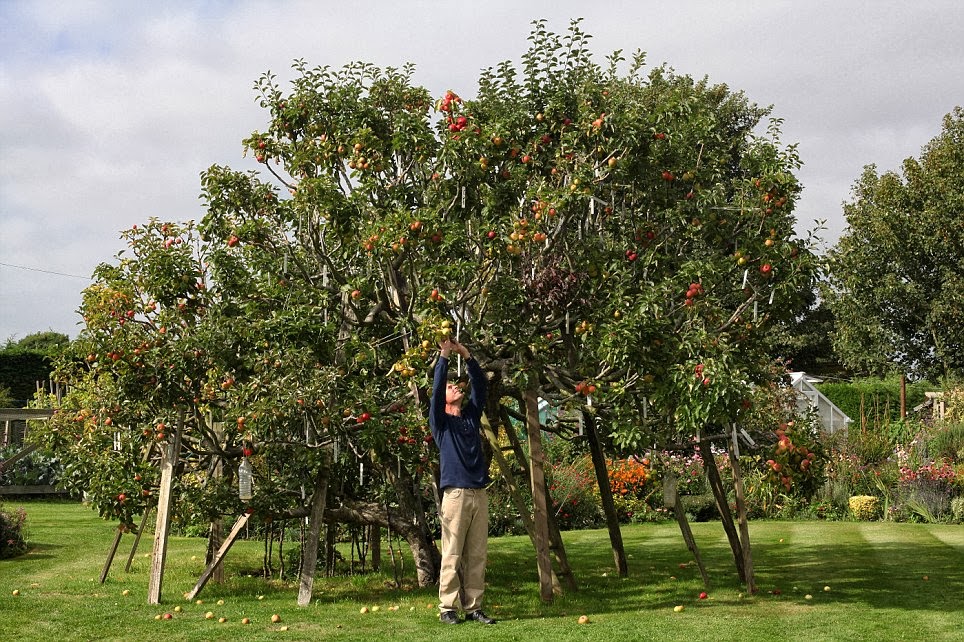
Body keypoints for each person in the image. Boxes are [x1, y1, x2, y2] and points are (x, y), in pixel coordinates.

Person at [429, 338, 496, 625]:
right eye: (450, 386)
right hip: (455, 494)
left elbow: (480, 387)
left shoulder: (469, 417)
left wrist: (467, 356)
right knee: (453, 552)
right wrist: (444, 356)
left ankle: (474, 607)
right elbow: (435, 392)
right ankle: (447, 607)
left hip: (478, 493)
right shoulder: (440, 423)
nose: (456, 386)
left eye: (457, 385)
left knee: (477, 553)